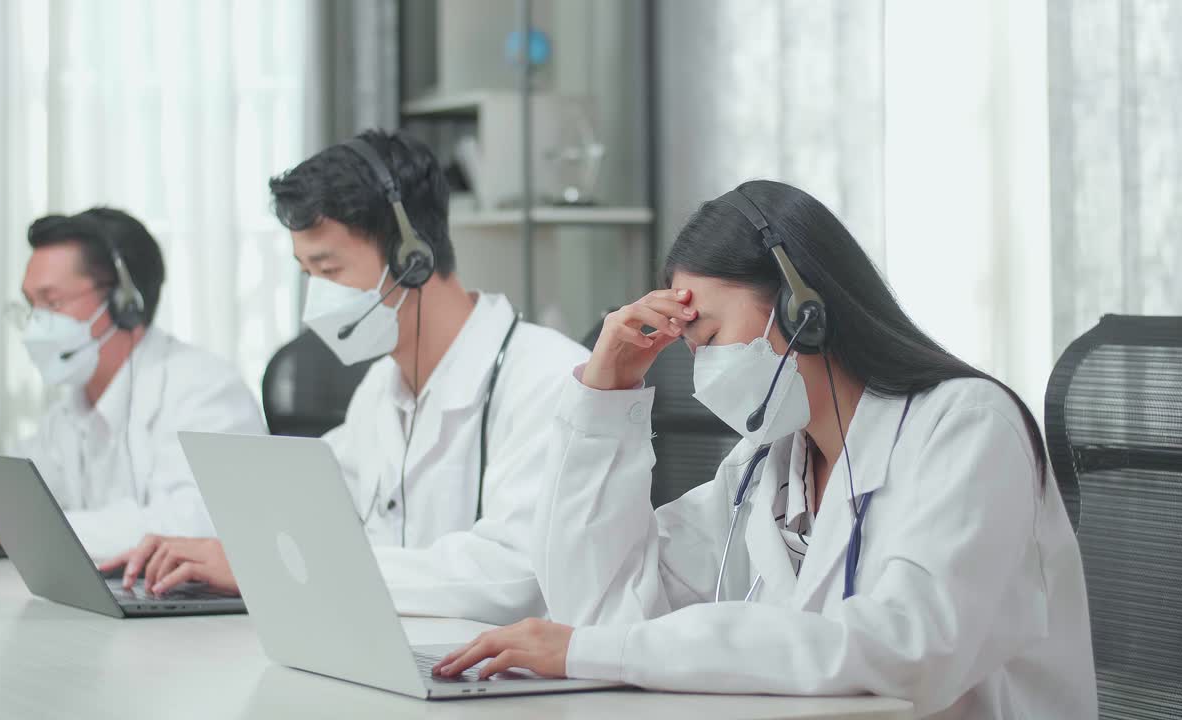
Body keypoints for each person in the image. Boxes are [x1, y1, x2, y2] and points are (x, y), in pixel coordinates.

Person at [432, 181, 1097, 718]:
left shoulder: (965, 428)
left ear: (803, 307)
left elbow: (903, 651)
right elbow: (600, 612)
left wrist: (595, 652)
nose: (700, 368)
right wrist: (606, 394)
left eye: (710, 333)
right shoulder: (765, 466)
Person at [103, 129, 590, 624]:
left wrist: (261, 566)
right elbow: (311, 518)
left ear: (412, 259)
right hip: (389, 656)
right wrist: (224, 551)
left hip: (505, 687)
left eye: (329, 269)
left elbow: (512, 578)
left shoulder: (549, 380)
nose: (316, 298)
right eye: (306, 273)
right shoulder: (382, 389)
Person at [0, 208, 265, 560]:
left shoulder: (206, 389)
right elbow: (12, 497)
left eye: (52, 302)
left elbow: (194, 527)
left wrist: (15, 525)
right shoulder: (71, 406)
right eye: (31, 305)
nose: (35, 324)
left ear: (123, 302)